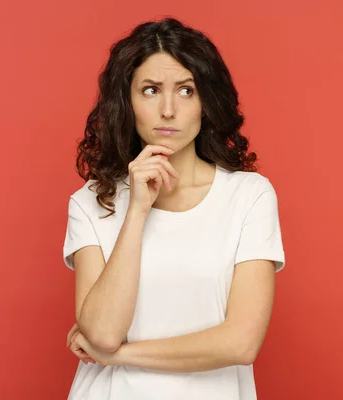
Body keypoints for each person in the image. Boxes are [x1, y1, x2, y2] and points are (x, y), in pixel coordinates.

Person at [62, 17, 286, 400]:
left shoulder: (249, 196)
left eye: (186, 91)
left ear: (206, 102)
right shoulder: (90, 202)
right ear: (127, 102)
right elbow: (101, 333)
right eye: (150, 90)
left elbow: (241, 343)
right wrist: (136, 212)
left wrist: (120, 356)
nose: (168, 110)